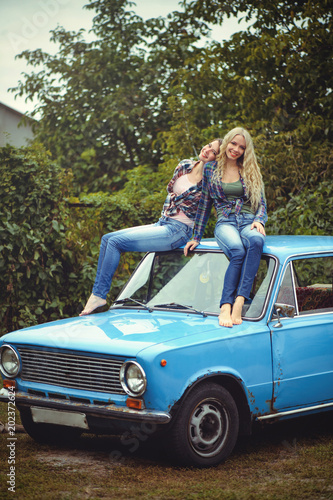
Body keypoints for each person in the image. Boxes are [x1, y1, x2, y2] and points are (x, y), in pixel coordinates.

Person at [80, 139, 223, 315]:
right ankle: (97, 294)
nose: (207, 150)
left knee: (116, 242)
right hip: (162, 222)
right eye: (208, 145)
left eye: (214, 152)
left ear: (217, 159)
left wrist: (196, 237)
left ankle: (99, 295)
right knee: (107, 239)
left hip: (178, 231)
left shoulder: (209, 183)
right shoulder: (184, 165)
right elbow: (171, 193)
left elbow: (205, 212)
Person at [184, 127, 267, 327]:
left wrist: (259, 220)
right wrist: (196, 236)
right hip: (226, 222)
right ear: (227, 142)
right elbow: (205, 204)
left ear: (246, 151)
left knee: (256, 240)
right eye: (233, 144)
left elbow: (262, 202)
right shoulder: (211, 168)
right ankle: (225, 306)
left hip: (248, 220)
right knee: (237, 251)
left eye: (241, 147)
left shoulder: (250, 169)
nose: (236, 149)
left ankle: (240, 301)